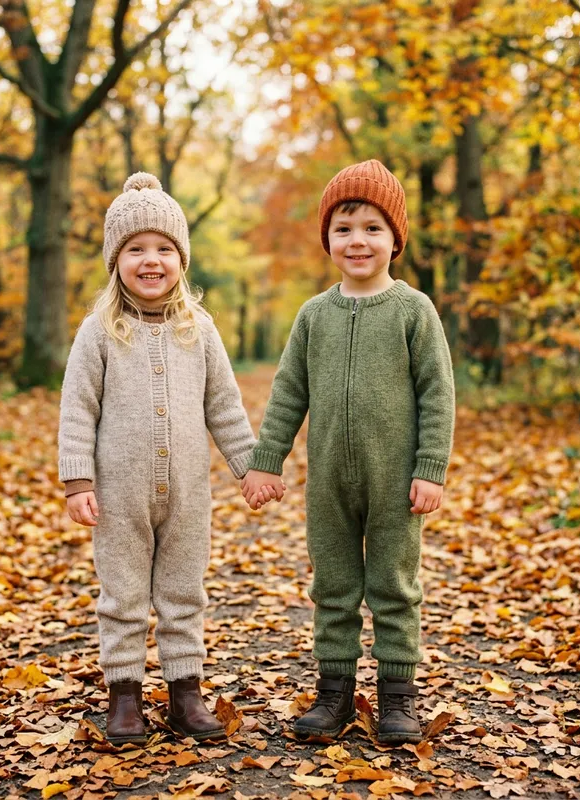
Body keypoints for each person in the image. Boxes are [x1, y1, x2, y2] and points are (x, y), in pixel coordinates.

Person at [241, 160, 455, 743]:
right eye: (343, 228)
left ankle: (397, 697)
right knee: (333, 586)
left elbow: (437, 394)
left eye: (372, 228)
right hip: (330, 480)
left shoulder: (414, 310)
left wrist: (431, 468)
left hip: (396, 480)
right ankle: (333, 693)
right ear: (328, 239)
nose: (357, 241)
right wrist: (267, 460)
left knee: (394, 585)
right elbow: (289, 392)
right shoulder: (314, 315)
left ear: (395, 239)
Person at [58, 172, 271, 745]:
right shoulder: (99, 332)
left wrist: (249, 467)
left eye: (163, 249)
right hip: (119, 496)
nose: (150, 261)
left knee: (183, 592)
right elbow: (77, 409)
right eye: (135, 249)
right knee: (123, 595)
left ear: (181, 259)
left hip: (188, 496)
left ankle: (185, 694)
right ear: (115, 261)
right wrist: (77, 480)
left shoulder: (198, 330)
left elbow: (224, 406)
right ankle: (124, 696)